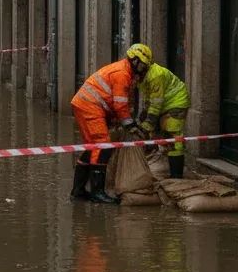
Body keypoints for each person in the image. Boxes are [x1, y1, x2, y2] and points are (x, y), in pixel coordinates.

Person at [70, 44, 149, 203]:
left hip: (85, 104)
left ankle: (78, 191)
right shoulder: (122, 74)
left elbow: (116, 102)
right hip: (90, 106)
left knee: (92, 147)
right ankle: (97, 192)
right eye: (142, 64)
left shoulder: (126, 72)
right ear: (134, 61)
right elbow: (120, 104)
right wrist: (129, 124)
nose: (143, 69)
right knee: (103, 145)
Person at [135, 49, 191, 179]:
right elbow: (151, 98)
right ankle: (167, 168)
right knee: (163, 137)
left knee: (173, 137)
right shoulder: (142, 76)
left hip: (176, 102)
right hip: (166, 103)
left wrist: (148, 124)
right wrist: (144, 115)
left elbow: (156, 103)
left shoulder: (155, 75)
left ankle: (176, 176)